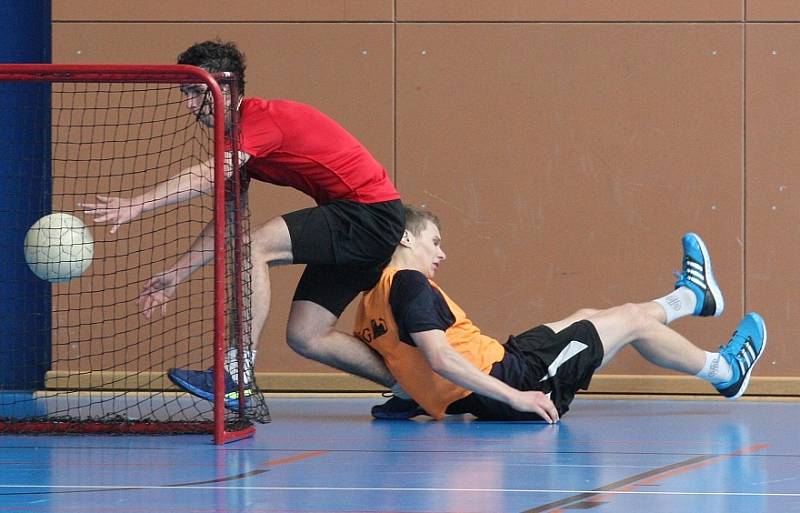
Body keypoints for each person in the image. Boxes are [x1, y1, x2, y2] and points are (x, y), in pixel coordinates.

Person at [82, 40, 404, 409]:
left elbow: (205, 177)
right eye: (184, 93)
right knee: (306, 336)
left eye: (196, 93)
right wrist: (174, 276)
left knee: (256, 247)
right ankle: (409, 390)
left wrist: (136, 205)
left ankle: (236, 375)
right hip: (355, 221)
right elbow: (227, 222)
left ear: (226, 88)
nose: (189, 105)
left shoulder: (260, 119)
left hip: (368, 214)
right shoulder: (234, 143)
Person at [354, 205, 766, 422]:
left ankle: (693, 298)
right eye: (435, 241)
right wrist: (517, 397)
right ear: (407, 236)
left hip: (505, 359)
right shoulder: (408, 282)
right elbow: (438, 357)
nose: (441, 253)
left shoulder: (370, 301)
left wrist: (410, 401)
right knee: (632, 323)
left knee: (591, 314)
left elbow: (402, 361)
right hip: (515, 381)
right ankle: (725, 371)